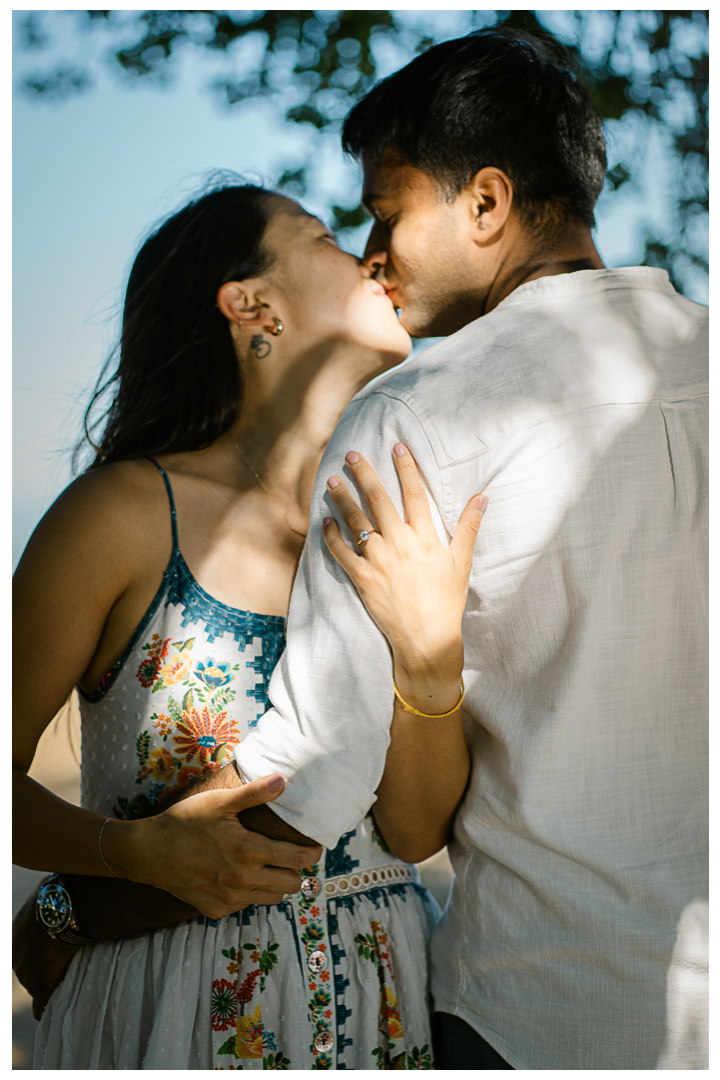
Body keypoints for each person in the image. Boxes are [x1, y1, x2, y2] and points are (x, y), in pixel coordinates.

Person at [227, 29, 708, 1070]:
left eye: (386, 209)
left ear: (486, 203)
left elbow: (305, 788)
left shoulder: (416, 417)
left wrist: (72, 906)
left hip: (529, 1011)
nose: (373, 249)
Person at [12, 178, 487, 1069]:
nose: (373, 255)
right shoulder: (119, 514)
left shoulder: (382, 529)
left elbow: (416, 833)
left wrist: (430, 668)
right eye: (326, 239)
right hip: (176, 1012)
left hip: (389, 1008)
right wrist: (126, 856)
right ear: (251, 304)